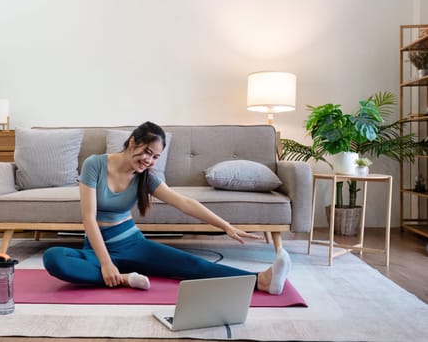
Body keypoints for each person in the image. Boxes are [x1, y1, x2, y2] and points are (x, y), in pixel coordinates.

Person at [43, 121, 291, 294]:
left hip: (133, 245)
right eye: (146, 152)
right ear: (132, 142)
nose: (148, 160)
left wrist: (226, 226)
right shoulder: (94, 165)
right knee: (53, 258)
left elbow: (184, 202)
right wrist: (106, 264)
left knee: (192, 265)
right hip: (96, 248)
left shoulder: (145, 177)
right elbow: (89, 218)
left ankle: (260, 280)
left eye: (155, 157)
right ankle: (124, 278)